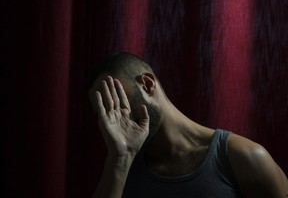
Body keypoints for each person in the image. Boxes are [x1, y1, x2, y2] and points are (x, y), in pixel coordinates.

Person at [88, 52, 288, 198]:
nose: (113, 115)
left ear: (147, 84)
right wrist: (121, 158)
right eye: (103, 109)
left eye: (116, 98)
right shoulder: (120, 170)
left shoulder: (242, 157)